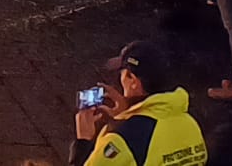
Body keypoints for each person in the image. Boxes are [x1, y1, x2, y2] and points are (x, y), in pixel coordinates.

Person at [69, 39, 205, 166]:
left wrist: (83, 143)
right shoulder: (190, 124)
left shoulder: (121, 140)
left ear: (132, 79)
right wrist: (127, 116)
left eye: (122, 74)